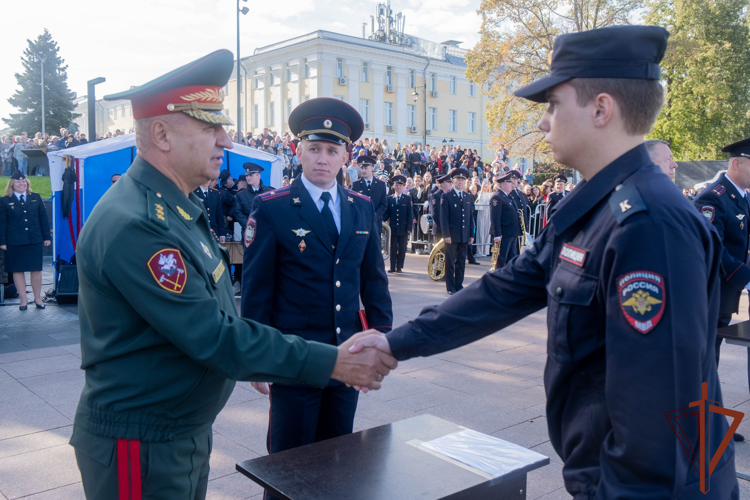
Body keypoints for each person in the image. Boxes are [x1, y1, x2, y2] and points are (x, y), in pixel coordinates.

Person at [350, 26, 739, 498]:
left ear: (601, 109)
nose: (542, 122)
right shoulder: (596, 207)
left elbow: (657, 411)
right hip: (602, 471)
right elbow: (507, 288)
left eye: (554, 104)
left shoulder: (649, 223)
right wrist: (396, 342)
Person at [68, 51, 396, 500]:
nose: (225, 139)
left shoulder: (177, 208)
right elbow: (215, 334)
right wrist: (333, 361)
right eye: (209, 127)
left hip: (175, 431)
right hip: (143, 438)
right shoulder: (139, 221)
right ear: (161, 134)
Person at [241, 98, 393, 500]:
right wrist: (256, 356)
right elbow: (258, 289)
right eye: (314, 149)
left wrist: (384, 340)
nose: (322, 159)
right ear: (298, 151)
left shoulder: (360, 209)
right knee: (288, 465)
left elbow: (374, 280)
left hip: (348, 354)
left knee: (337, 456)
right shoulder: (272, 208)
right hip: (295, 357)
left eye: (332, 150)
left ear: (346, 155)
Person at [694, 137, 750, 443]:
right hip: (709, 293)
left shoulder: (741, 195)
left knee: (710, 359)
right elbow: (711, 245)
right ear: (736, 163)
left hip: (724, 295)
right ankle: (703, 428)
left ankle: (711, 423)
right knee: (705, 360)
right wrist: (747, 278)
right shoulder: (713, 197)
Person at [0, 171, 51, 310]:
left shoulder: (35, 197)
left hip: (34, 239)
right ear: (12, 184)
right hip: (14, 240)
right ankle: (23, 300)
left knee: (36, 270)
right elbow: (2, 222)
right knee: (17, 270)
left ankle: (38, 299)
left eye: (24, 182)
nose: (21, 184)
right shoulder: (5, 200)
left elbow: (43, 218)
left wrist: (47, 237)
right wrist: (2, 241)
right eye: (18, 182)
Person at [440, 167, 475, 295]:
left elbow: (470, 217)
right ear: (453, 181)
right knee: (450, 261)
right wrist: (446, 234)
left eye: (462, 180)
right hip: (452, 235)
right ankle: (450, 287)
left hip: (464, 234)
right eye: (458, 179)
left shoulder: (467, 196)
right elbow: (444, 218)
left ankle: (459, 285)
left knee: (461, 261)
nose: (460, 182)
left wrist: (471, 234)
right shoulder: (447, 196)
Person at [489, 173, 521, 267]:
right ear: (503, 185)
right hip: (504, 234)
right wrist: (497, 234)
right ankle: (498, 279)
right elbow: (495, 217)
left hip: (512, 233)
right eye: (509, 182)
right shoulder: (497, 197)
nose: (512, 184)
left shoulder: (508, 196)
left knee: (512, 258)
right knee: (501, 259)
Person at [383, 175, 414, 273]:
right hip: (393, 227)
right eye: (396, 185)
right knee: (392, 247)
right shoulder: (389, 198)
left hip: (404, 227)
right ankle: (392, 266)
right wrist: (381, 221)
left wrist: (409, 227)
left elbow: (410, 214)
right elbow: (387, 213)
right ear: (393, 186)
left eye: (400, 185)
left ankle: (399, 266)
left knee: (402, 248)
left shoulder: (407, 198)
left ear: (403, 187)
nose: (398, 187)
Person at [351, 155, 387, 235]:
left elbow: (384, 204)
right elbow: (352, 203)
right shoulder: (355, 185)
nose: (363, 171)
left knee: (375, 247)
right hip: (361, 225)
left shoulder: (381, 184)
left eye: (366, 168)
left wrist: (375, 216)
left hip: (375, 225)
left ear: (372, 168)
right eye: (362, 168)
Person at [234, 163, 274, 232]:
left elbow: (274, 211)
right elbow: (239, 213)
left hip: (266, 231)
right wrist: (249, 226)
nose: (248, 178)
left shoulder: (270, 192)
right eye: (246, 176)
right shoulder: (241, 195)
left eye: (250, 175)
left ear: (258, 176)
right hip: (248, 232)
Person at [475, 180, 493, 256]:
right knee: (480, 230)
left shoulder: (491, 194)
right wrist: (482, 190)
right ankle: (479, 251)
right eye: (484, 185)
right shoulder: (479, 193)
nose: (486, 186)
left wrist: (490, 189)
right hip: (481, 212)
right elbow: (479, 200)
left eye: (487, 184)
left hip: (488, 213)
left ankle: (485, 251)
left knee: (487, 231)